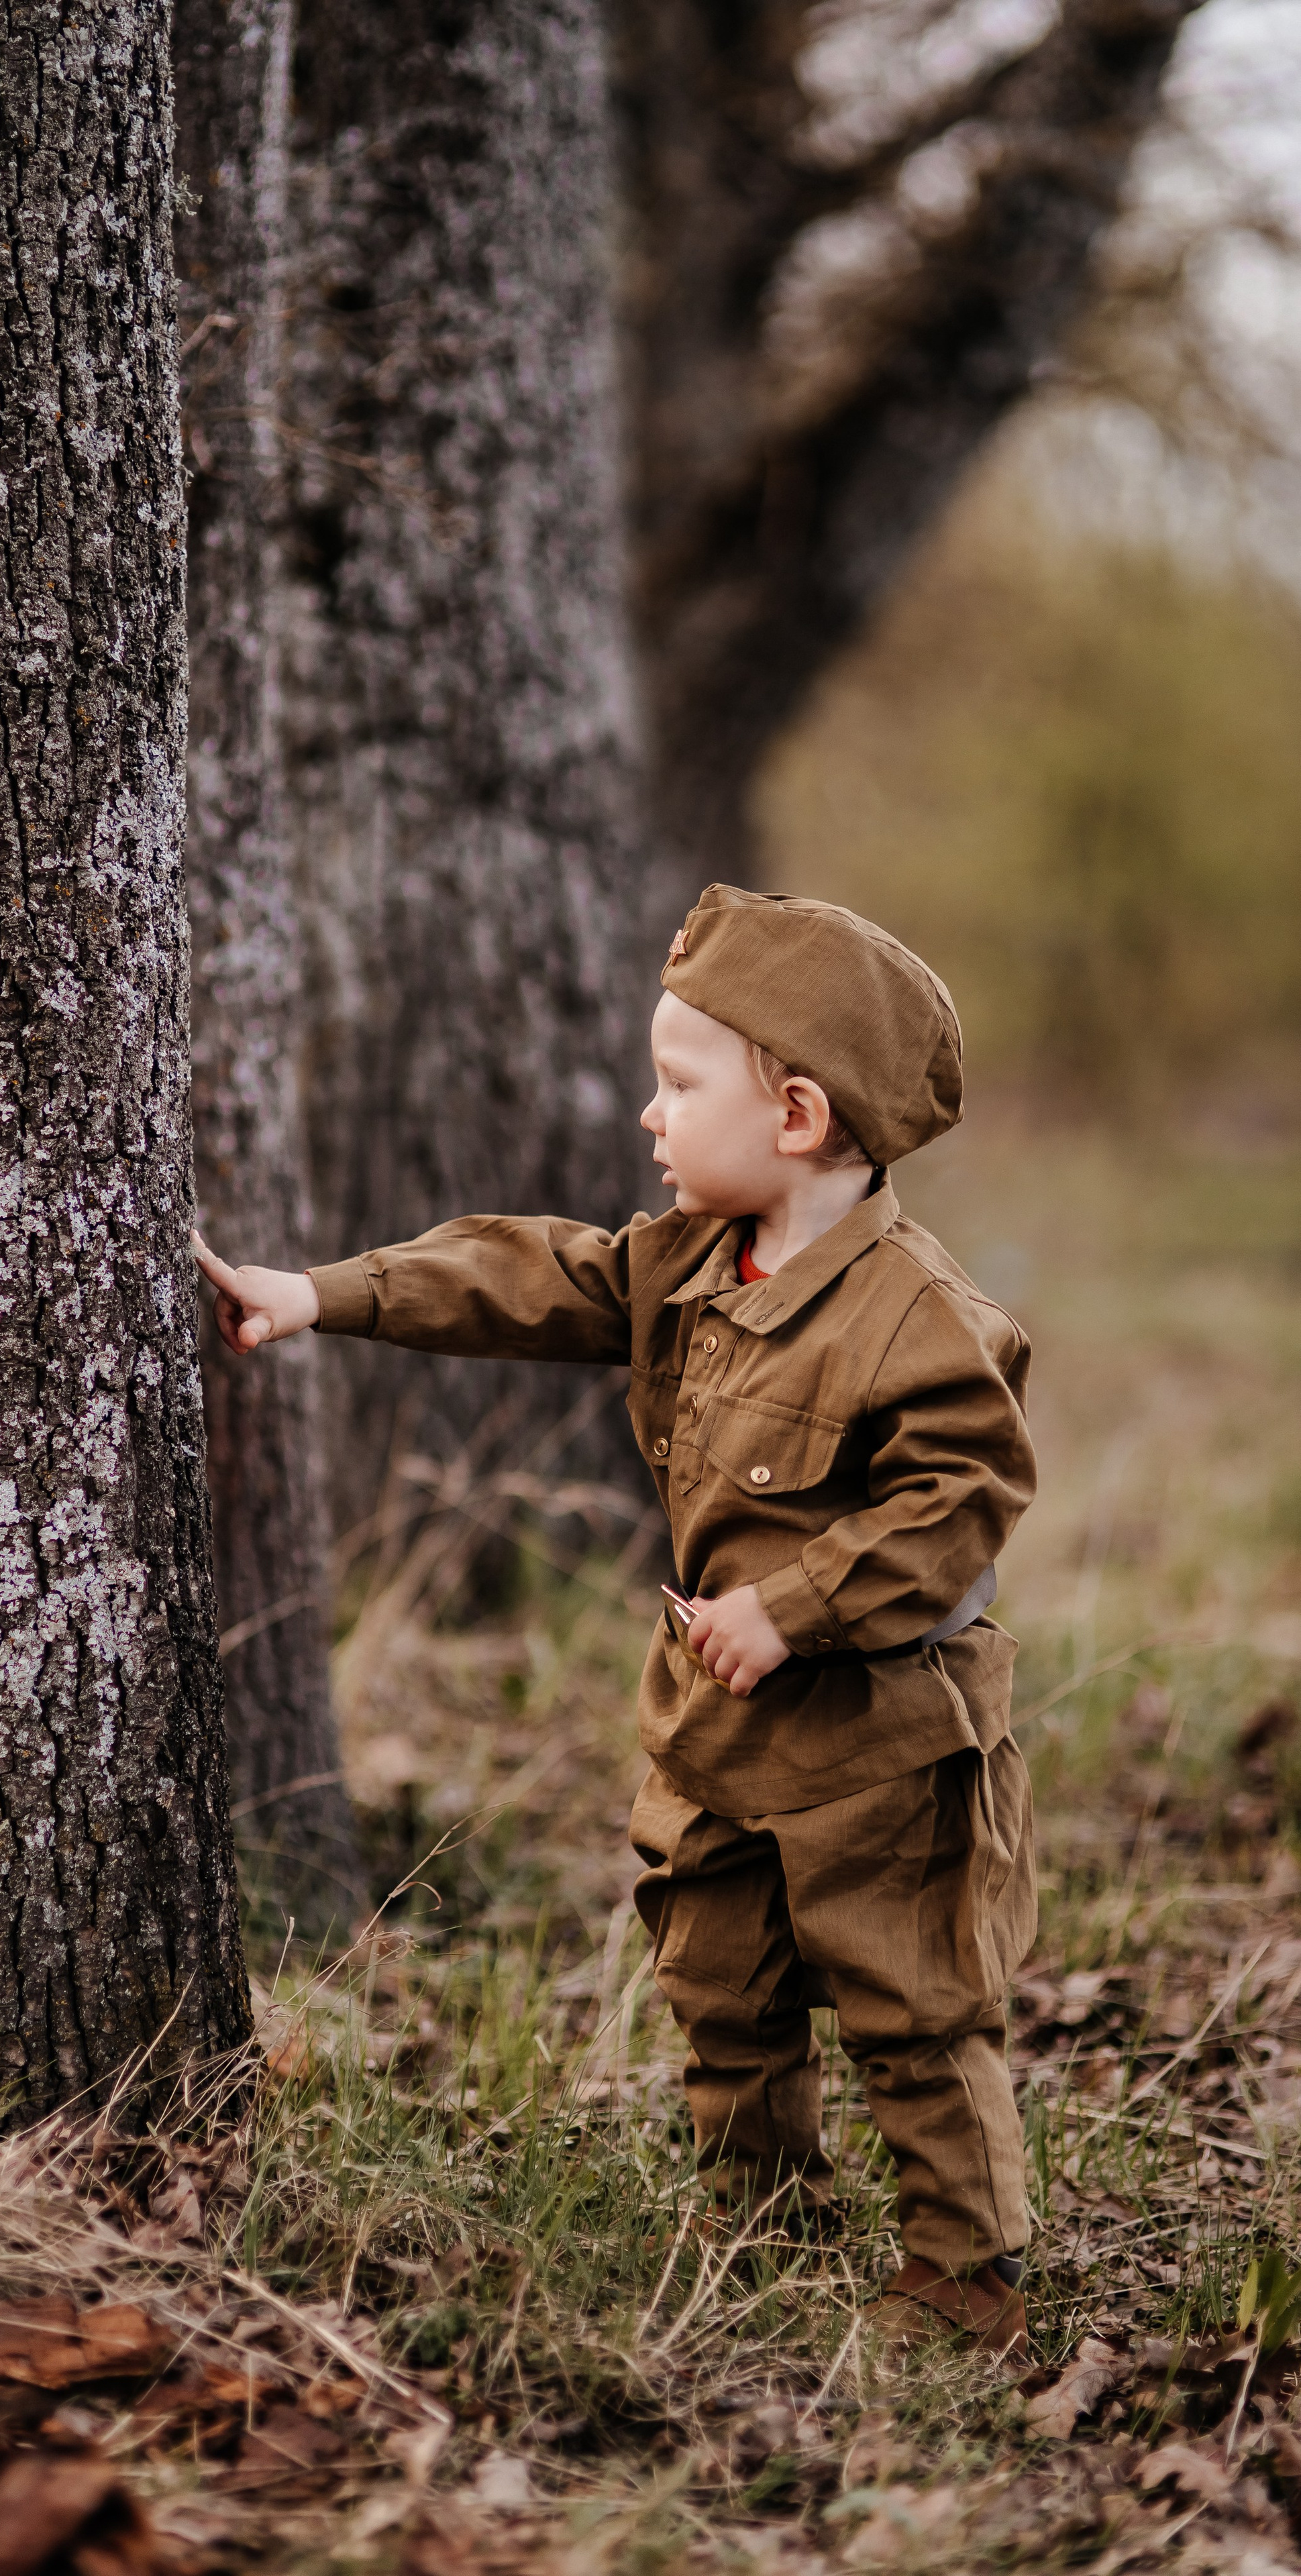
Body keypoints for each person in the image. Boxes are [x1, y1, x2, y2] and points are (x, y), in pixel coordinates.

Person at [192, 883, 1038, 2360]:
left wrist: (793, 1607)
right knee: (721, 1982)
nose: (648, 1117)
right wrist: (317, 1297)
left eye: (675, 1083)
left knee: (912, 2011)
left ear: (793, 1114)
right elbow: (523, 1275)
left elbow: (957, 1506)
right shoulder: (687, 1264)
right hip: (716, 1730)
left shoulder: (918, 1319)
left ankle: (961, 2272)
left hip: (877, 1748)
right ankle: (759, 2213)